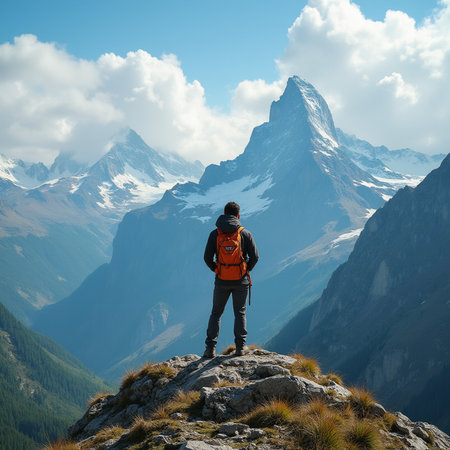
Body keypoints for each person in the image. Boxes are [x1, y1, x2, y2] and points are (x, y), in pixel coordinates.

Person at [203, 201, 259, 358]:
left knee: (216, 313)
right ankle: (240, 348)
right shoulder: (244, 233)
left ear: (224, 213)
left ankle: (210, 349)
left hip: (221, 280)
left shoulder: (215, 234)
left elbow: (207, 257)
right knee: (240, 313)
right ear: (238, 215)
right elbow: (255, 257)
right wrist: (246, 269)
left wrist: (217, 269)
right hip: (241, 280)